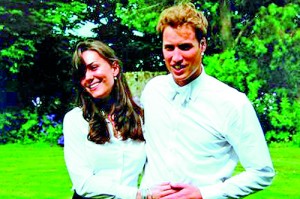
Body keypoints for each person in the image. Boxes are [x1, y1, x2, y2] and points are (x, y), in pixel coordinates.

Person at [140, 3, 275, 199]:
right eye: (169, 48)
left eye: (185, 47)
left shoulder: (232, 103)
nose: (176, 57)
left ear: (202, 45)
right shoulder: (152, 91)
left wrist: (204, 194)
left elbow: (262, 172)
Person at [63, 39, 146, 199]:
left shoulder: (141, 117)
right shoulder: (75, 120)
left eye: (94, 67)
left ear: (114, 68)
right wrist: (137, 195)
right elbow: (84, 184)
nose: (88, 77)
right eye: (82, 73)